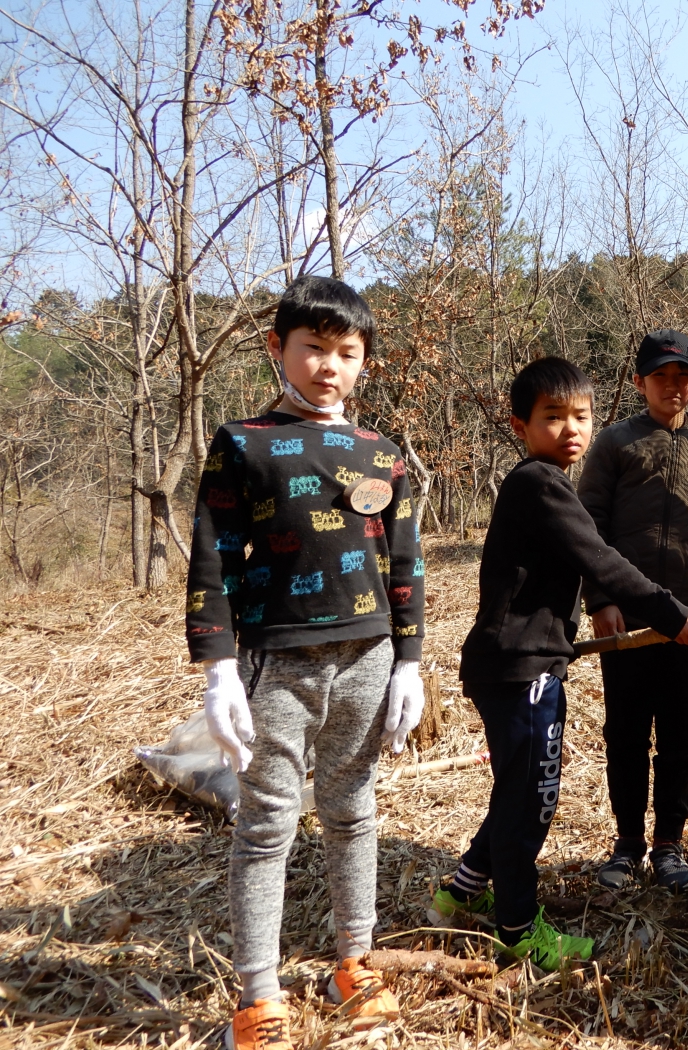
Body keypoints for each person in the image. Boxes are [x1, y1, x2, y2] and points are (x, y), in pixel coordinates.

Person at [187, 276, 426, 1049]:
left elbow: (406, 563)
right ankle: (258, 999)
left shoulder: (380, 454)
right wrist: (218, 667)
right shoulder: (243, 445)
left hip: (368, 657)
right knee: (267, 823)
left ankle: (353, 962)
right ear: (278, 349)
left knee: (353, 811)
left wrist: (411, 662)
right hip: (276, 663)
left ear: (364, 363)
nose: (329, 366)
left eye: (346, 353)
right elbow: (213, 561)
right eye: (313, 348)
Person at [431, 357, 688, 971]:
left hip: (515, 662)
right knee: (533, 796)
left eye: (580, 416)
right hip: (522, 668)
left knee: (515, 787)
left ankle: (459, 894)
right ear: (519, 425)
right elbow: (601, 560)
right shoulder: (540, 482)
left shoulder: (544, 481)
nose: (570, 429)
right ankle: (519, 930)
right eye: (552, 417)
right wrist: (671, 613)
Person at [577, 330, 688, 893]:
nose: (672, 387)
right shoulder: (614, 444)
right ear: (640, 383)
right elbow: (588, 529)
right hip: (627, 621)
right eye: (660, 377)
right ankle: (627, 844)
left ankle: (669, 846)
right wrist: (601, 599)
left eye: (682, 377)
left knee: (683, 736)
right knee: (625, 734)